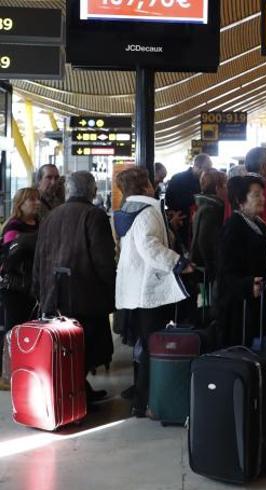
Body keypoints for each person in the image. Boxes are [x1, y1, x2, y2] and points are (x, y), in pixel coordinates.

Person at [114, 167, 193, 416]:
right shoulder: (147, 211)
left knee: (142, 345)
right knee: (152, 346)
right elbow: (150, 246)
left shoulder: (127, 211)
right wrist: (179, 263)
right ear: (146, 186)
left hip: (133, 288)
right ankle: (144, 401)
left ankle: (140, 394)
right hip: (149, 290)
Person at [34, 172, 117, 403]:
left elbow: (40, 256)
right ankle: (76, 395)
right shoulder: (94, 215)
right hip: (86, 295)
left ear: (69, 190)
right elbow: (103, 259)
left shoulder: (51, 215)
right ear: (93, 191)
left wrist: (39, 289)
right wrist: (111, 287)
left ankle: (76, 391)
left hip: (54, 294)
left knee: (66, 348)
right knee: (85, 348)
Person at [217, 175, 266, 347]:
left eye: (262, 194)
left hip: (259, 301)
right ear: (240, 200)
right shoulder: (234, 227)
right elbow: (225, 270)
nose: (262, 199)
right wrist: (247, 284)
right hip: (241, 307)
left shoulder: (258, 224)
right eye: (256, 195)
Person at [0, 188, 40, 390]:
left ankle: (25, 369)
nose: (36, 203)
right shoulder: (13, 227)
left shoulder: (39, 223)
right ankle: (7, 374)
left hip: (31, 287)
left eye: (36, 199)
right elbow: (10, 258)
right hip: (14, 287)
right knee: (13, 330)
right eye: (31, 200)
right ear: (20, 203)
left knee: (28, 329)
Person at [165, 154, 213, 244]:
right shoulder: (178, 179)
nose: (207, 172)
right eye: (207, 169)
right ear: (197, 166)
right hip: (180, 222)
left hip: (197, 223)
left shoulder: (203, 180)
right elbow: (169, 200)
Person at [191, 169, 228, 284]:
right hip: (207, 269)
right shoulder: (212, 209)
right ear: (218, 188)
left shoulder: (204, 205)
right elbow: (205, 240)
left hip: (203, 266)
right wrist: (213, 267)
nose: (227, 189)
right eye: (225, 185)